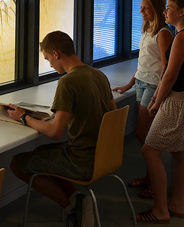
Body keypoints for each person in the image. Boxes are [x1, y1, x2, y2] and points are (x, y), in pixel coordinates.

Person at [9, 31, 116, 227]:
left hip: (81, 161)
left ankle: (72, 208)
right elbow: (113, 116)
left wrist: (24, 117)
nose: (49, 64)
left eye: (48, 58)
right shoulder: (98, 74)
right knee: (40, 153)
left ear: (56, 54)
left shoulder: (68, 81)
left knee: (17, 163)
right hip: (103, 156)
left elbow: (55, 132)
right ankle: (77, 199)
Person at [136, 0, 184, 224]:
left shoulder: (182, 37)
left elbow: (169, 75)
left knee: (149, 150)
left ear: (181, 12)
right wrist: (157, 96)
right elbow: (168, 74)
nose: (165, 11)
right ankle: (176, 204)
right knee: (179, 152)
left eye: (168, 7)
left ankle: (161, 209)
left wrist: (156, 101)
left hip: (176, 101)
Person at [112, 0, 173, 199]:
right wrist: (129, 84)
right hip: (140, 83)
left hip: (153, 86)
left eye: (145, 7)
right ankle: (151, 176)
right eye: (141, 7)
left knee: (144, 134)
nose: (141, 11)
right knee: (144, 134)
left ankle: (156, 180)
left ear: (155, 7)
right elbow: (143, 61)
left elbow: (166, 66)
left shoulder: (163, 32)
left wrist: (159, 93)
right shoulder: (147, 28)